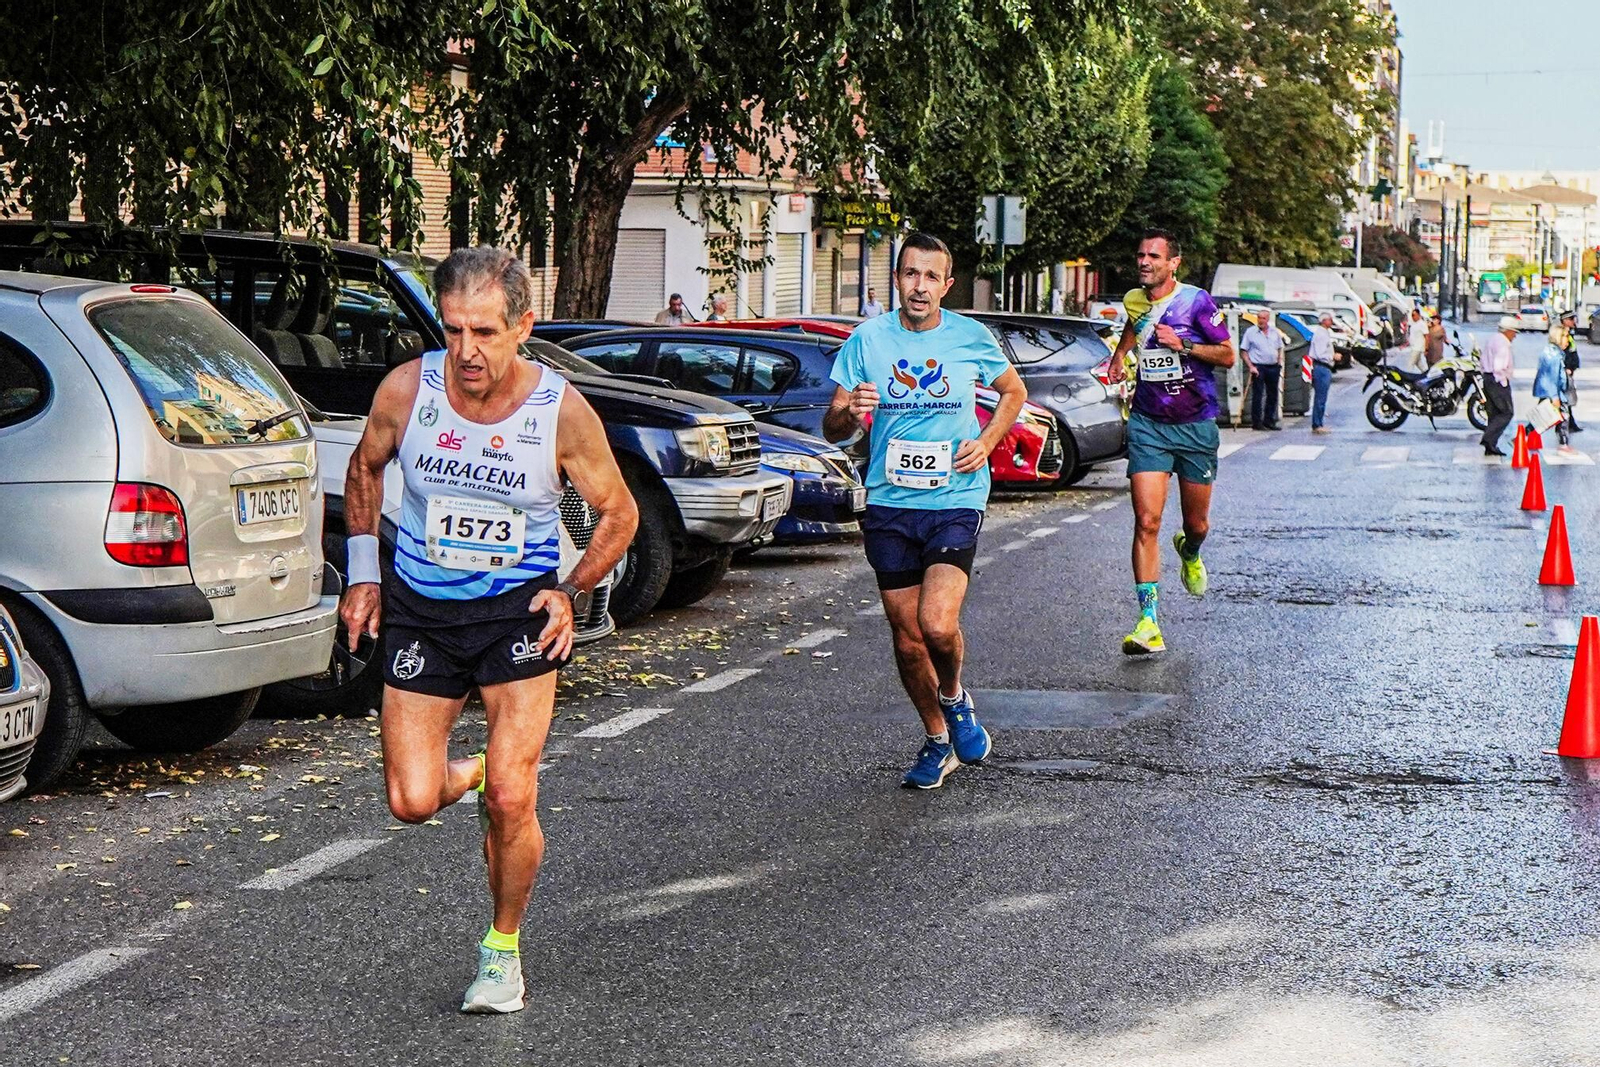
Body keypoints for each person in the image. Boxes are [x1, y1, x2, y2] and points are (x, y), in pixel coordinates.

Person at [340, 247, 638, 1013]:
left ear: (523, 327)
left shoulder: (559, 410)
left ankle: (501, 951)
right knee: (410, 799)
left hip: (517, 613)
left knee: (514, 793)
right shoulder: (408, 390)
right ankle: (471, 773)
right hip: (423, 611)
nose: (466, 350)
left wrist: (571, 591)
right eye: (453, 330)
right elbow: (366, 467)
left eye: (484, 332)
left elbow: (619, 511)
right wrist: (364, 573)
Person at [823, 231, 1027, 789]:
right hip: (890, 502)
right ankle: (938, 740)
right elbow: (833, 426)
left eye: (931, 276)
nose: (920, 286)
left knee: (936, 624)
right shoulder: (867, 339)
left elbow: (1014, 392)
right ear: (897, 279)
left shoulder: (969, 336)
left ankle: (955, 697)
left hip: (954, 497)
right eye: (911, 273)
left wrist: (986, 442)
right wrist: (850, 411)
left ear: (946, 284)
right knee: (907, 638)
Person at [1107, 228, 1236, 656]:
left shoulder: (1197, 301)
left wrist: (1184, 344)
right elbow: (1134, 325)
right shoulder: (1134, 299)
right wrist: (1119, 356)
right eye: (1141, 255)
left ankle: (1190, 550)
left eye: (1154, 256)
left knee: (1196, 525)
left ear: (1173, 263)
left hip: (1195, 424)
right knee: (1146, 521)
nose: (1144, 262)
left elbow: (1227, 354)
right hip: (1148, 423)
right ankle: (1148, 623)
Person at [1479, 316, 1517, 456]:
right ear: (1508, 331)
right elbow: (1499, 366)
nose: (1515, 336)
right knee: (1506, 412)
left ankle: (1491, 445)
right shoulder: (1503, 343)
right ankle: (1488, 438)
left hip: (1488, 377)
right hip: (1497, 380)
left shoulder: (1492, 339)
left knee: (1493, 412)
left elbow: (1482, 360)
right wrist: (1503, 381)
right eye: (1514, 332)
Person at [1241, 308, 1285, 430]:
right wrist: (1251, 366)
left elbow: (1280, 347)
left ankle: (1269, 421)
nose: (1260, 320)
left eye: (1263, 318)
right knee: (1258, 395)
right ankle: (1257, 422)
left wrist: (1279, 361)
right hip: (1258, 367)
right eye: (1259, 318)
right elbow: (1244, 351)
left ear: (1268, 319)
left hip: (1273, 366)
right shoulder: (1251, 332)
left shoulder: (1275, 332)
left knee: (1273, 395)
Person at [1533, 323, 1573, 452]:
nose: (1568, 341)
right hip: (1554, 392)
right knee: (1563, 417)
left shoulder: (1551, 352)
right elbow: (1551, 378)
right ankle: (1563, 444)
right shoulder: (1554, 356)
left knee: (1542, 417)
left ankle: (1524, 436)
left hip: (1547, 391)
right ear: (1558, 337)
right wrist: (1555, 397)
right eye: (1565, 337)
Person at [1308, 311, 1337, 435]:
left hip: (1324, 368)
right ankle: (1317, 424)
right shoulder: (1321, 335)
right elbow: (1320, 354)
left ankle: (1319, 422)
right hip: (1322, 368)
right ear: (1324, 321)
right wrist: (1332, 356)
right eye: (1330, 319)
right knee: (1320, 397)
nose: (1332, 322)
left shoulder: (1324, 333)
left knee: (1322, 397)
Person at [1560, 308, 1582, 432]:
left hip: (1568, 371)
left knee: (1565, 398)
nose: (1574, 321)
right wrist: (1567, 367)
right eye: (1572, 319)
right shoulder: (1562, 334)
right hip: (1563, 372)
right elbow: (1565, 354)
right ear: (1565, 320)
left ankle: (1570, 423)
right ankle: (1530, 428)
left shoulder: (1569, 333)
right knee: (1556, 399)